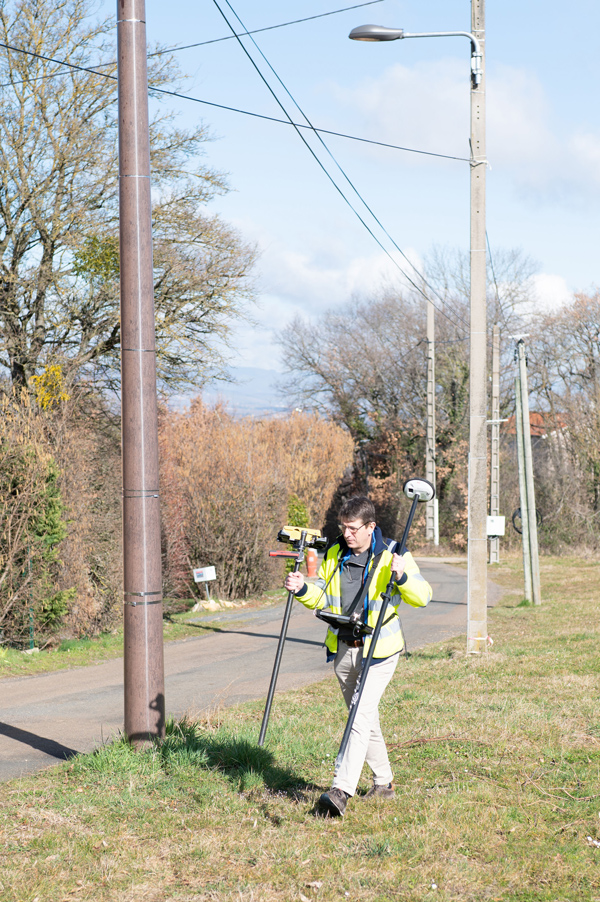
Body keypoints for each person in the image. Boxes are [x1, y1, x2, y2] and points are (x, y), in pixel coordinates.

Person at [284, 495, 432, 817]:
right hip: (343, 648)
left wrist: (402, 577)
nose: (347, 534)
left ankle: (341, 789)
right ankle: (384, 784)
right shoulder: (336, 552)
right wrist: (301, 589)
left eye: (353, 529)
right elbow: (321, 594)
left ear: (370, 527)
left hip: (379, 650)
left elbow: (424, 597)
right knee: (364, 718)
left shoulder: (393, 553)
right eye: (344, 528)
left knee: (358, 716)